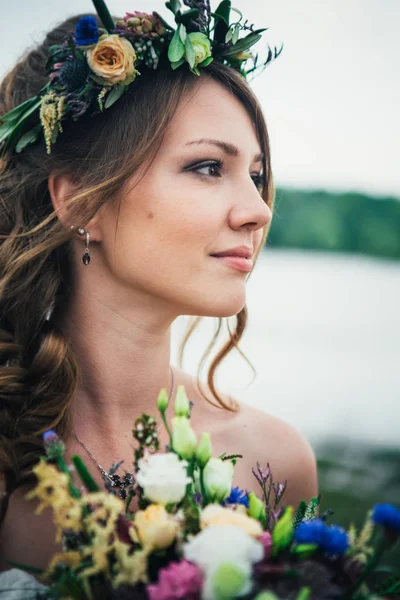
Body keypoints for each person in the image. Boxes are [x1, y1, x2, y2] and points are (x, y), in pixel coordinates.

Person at [0, 4, 318, 584]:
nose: (258, 210)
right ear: (80, 202)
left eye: (255, 173)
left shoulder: (275, 463)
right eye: (206, 167)